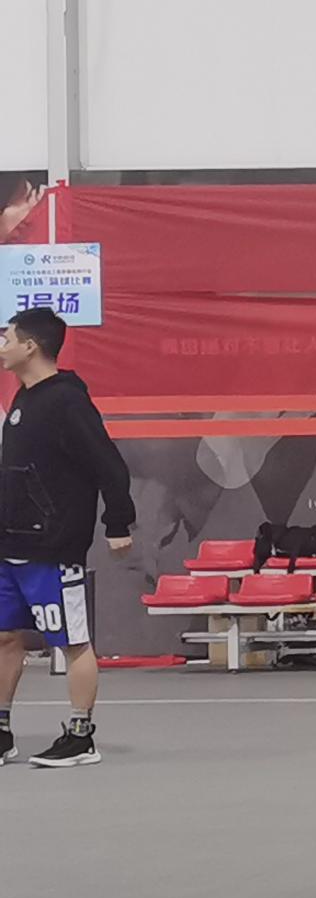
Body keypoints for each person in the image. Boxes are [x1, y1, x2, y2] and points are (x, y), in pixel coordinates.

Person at [0, 309, 134, 767]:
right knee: (4, 637)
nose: (2, 347)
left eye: (7, 338)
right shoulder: (23, 399)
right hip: (10, 545)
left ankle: (80, 736)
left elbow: (109, 465)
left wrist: (118, 523)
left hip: (53, 546)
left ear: (30, 346)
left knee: (73, 641)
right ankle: (2, 732)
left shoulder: (67, 402)